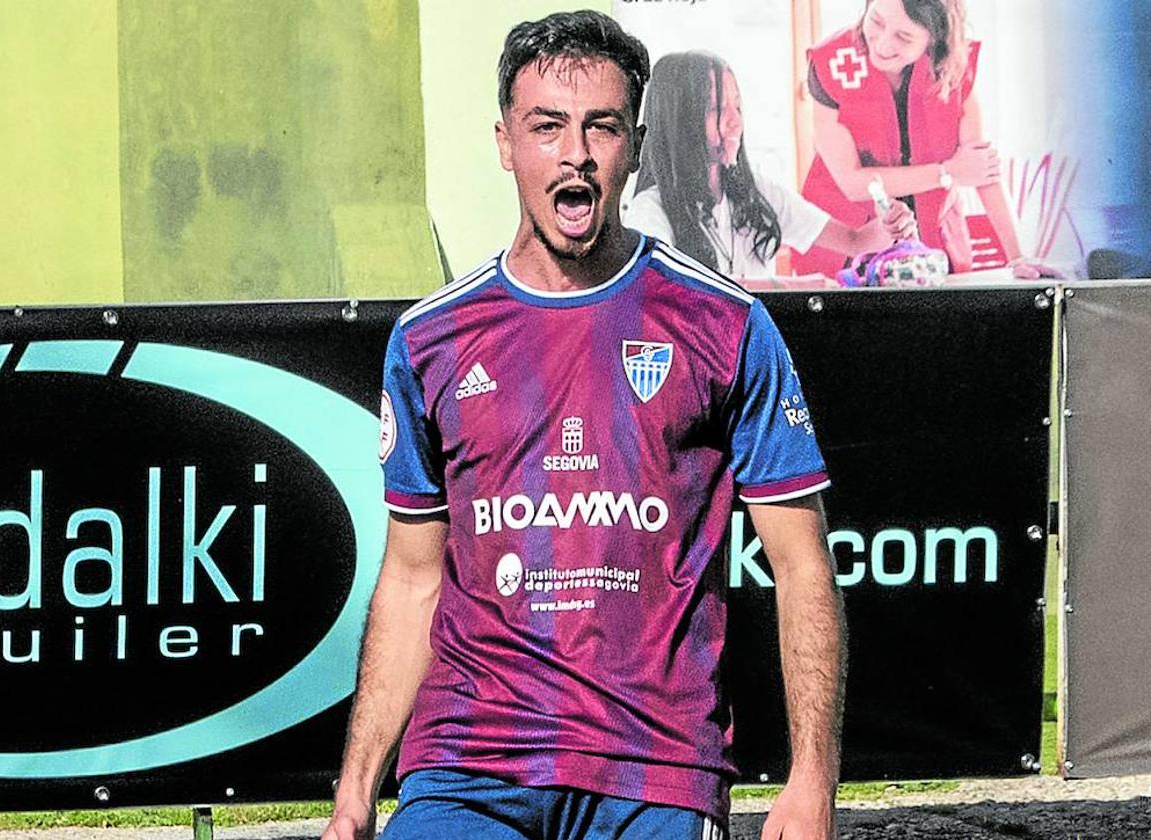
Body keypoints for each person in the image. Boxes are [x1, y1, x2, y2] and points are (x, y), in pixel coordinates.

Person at [323, 10, 846, 840]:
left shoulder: (726, 325)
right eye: (547, 128)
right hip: (468, 766)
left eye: (601, 127)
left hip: (657, 772)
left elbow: (801, 564)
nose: (575, 153)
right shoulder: (428, 341)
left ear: (634, 145)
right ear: (505, 143)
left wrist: (813, 780)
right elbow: (414, 577)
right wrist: (355, 794)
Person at [797, 0, 1036, 277]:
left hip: (932, 248)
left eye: (903, 36)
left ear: (934, 38)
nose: (883, 44)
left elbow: (980, 167)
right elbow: (853, 182)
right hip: (846, 248)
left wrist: (1018, 258)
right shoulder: (829, 64)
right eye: (876, 21)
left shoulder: (954, 67)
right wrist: (947, 173)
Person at [626, 50, 915, 278]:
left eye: (737, 106)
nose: (735, 121)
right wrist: (779, 287)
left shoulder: (757, 193)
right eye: (715, 108)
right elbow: (662, 298)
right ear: (679, 122)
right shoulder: (649, 212)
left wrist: (890, 227)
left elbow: (854, 240)